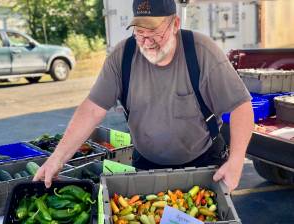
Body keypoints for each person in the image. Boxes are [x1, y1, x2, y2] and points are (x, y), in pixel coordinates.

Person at [34, 0, 254, 192]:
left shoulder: (202, 51)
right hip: (146, 165)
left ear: (175, 24)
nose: (146, 41)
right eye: (139, 32)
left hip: (204, 164)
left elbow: (241, 107)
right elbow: (92, 110)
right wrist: (57, 159)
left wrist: (235, 162)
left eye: (155, 32)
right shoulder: (122, 57)